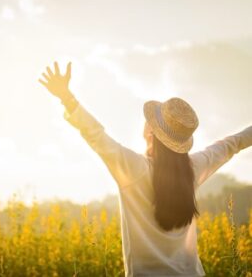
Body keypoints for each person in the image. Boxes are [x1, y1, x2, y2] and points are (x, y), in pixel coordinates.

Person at [38, 61, 252, 277]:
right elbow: (231, 144)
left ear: (151, 132)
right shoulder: (193, 169)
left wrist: (66, 97)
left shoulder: (134, 169)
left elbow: (95, 135)